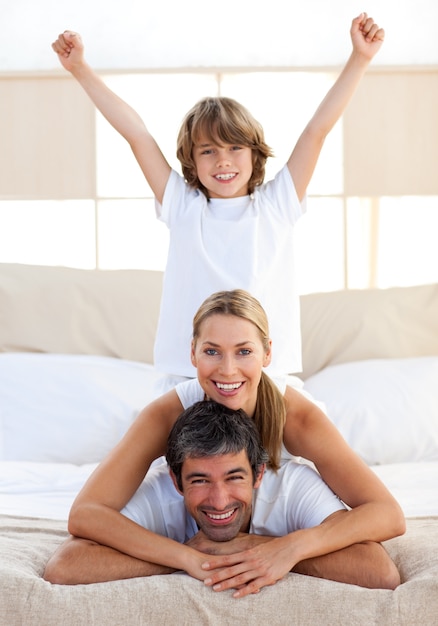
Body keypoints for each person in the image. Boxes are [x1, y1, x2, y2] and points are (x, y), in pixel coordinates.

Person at [51, 13, 385, 380]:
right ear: (191, 160)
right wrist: (80, 68)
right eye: (208, 150)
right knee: (161, 431)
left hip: (265, 378)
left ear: (255, 154)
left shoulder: (276, 206)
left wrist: (360, 58)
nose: (223, 160)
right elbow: (138, 135)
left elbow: (316, 130)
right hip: (189, 376)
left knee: (310, 426)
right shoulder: (183, 207)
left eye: (234, 148)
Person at [43, 289, 405, 596]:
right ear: (192, 354)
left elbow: (385, 513)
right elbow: (88, 513)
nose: (228, 370)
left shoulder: (297, 419)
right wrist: (186, 556)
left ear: (267, 354)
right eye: (212, 351)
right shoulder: (164, 416)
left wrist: (286, 547)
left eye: (244, 351)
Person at [44, 400, 400, 592]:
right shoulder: (158, 492)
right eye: (199, 480)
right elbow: (66, 566)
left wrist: (258, 549)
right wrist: (187, 556)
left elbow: (379, 572)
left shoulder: (293, 486)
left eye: (234, 477)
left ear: (259, 473)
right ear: (176, 480)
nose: (218, 500)